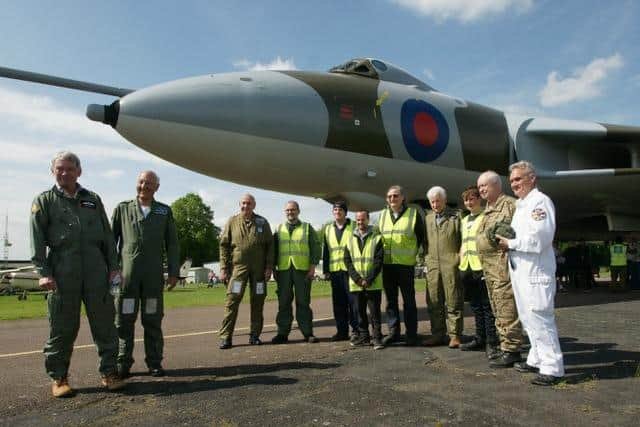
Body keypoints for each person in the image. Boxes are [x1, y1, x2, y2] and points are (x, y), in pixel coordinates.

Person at [30, 151, 125, 397]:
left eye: (69, 169)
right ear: (53, 172)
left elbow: (106, 236)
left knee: (105, 325)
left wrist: (114, 268)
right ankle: (59, 378)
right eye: (59, 169)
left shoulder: (92, 199)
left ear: (79, 171)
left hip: (96, 271)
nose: (64, 173)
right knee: (62, 328)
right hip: (63, 272)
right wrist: (43, 272)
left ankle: (109, 373)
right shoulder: (44, 201)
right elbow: (37, 241)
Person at [495, 161, 564, 386]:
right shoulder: (522, 205)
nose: (514, 184)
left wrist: (511, 243)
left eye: (518, 179)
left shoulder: (539, 203)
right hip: (521, 273)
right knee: (527, 318)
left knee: (541, 319)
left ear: (532, 178)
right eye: (512, 180)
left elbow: (540, 239)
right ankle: (536, 358)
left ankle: (553, 368)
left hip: (536, 274)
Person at [112, 171, 179, 378]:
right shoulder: (122, 209)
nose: (144, 186)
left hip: (152, 279)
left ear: (156, 187)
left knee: (152, 319)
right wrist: (112, 271)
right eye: (141, 182)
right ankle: (123, 362)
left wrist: (174, 272)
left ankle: (154, 362)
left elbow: (173, 244)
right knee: (124, 320)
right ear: (137, 184)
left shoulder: (164, 211)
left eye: (149, 184)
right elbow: (109, 242)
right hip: (126, 280)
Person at [476, 171, 523, 367]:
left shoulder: (511, 206)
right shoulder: (487, 210)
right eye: (479, 187)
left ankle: (511, 350)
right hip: (491, 271)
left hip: (504, 269)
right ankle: (505, 345)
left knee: (507, 309)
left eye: (485, 186)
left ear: (496, 185)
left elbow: (520, 234)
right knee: (498, 308)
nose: (481, 190)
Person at [218, 194, 274, 349]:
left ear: (254, 205)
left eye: (249, 203)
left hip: (259, 271)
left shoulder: (262, 222)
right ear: (239, 204)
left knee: (258, 301)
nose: (245, 206)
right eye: (243, 203)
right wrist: (223, 268)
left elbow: (270, 245)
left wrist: (269, 267)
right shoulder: (232, 221)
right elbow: (224, 245)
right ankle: (225, 337)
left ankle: (255, 335)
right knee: (232, 300)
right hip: (238, 269)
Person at [377, 185, 426, 346]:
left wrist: (414, 254)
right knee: (391, 302)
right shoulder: (382, 216)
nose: (392, 199)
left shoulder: (413, 215)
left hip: (406, 266)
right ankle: (394, 332)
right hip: (388, 265)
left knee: (409, 301)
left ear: (402, 198)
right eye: (390, 196)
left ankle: (411, 333)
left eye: (396, 196)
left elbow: (421, 237)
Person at [457, 186, 499, 356]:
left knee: (486, 306)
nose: (469, 202)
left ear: (478, 199)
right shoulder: (464, 220)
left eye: (472, 199)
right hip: (466, 267)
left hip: (481, 267)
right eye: (466, 200)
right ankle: (480, 338)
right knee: (475, 306)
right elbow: (463, 243)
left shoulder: (485, 217)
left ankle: (491, 341)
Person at [271, 201, 320, 343]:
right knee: (284, 302)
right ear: (284, 212)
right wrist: (274, 269)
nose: (290, 212)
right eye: (287, 210)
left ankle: (307, 332)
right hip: (284, 270)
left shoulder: (307, 228)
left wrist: (312, 267)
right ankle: (282, 333)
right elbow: (274, 251)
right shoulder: (279, 228)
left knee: (303, 302)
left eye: (293, 210)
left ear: (298, 211)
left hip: (302, 271)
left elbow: (315, 247)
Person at [423, 186, 464, 348]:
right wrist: (426, 259)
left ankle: (455, 335)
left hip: (451, 263)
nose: (435, 204)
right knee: (434, 301)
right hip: (433, 265)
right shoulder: (427, 219)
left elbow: (464, 239)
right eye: (432, 202)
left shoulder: (456, 217)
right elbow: (424, 242)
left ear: (445, 200)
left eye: (437, 201)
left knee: (453, 299)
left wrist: (459, 257)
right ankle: (437, 334)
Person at [344, 210, 385, 350]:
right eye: (358, 220)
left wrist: (368, 279)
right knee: (360, 313)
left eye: (363, 219)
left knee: (375, 313)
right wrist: (358, 279)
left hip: (372, 283)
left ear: (368, 220)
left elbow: (379, 261)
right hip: (357, 284)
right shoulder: (349, 239)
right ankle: (364, 337)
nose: (360, 222)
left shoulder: (377, 238)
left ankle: (377, 338)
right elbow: (348, 261)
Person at [322, 201, 359, 341]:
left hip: (350, 271)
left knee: (353, 303)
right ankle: (341, 332)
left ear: (345, 212)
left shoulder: (354, 226)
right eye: (335, 210)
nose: (337, 212)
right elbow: (326, 251)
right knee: (338, 304)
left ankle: (356, 331)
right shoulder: (327, 229)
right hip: (335, 271)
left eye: (340, 210)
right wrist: (326, 270)